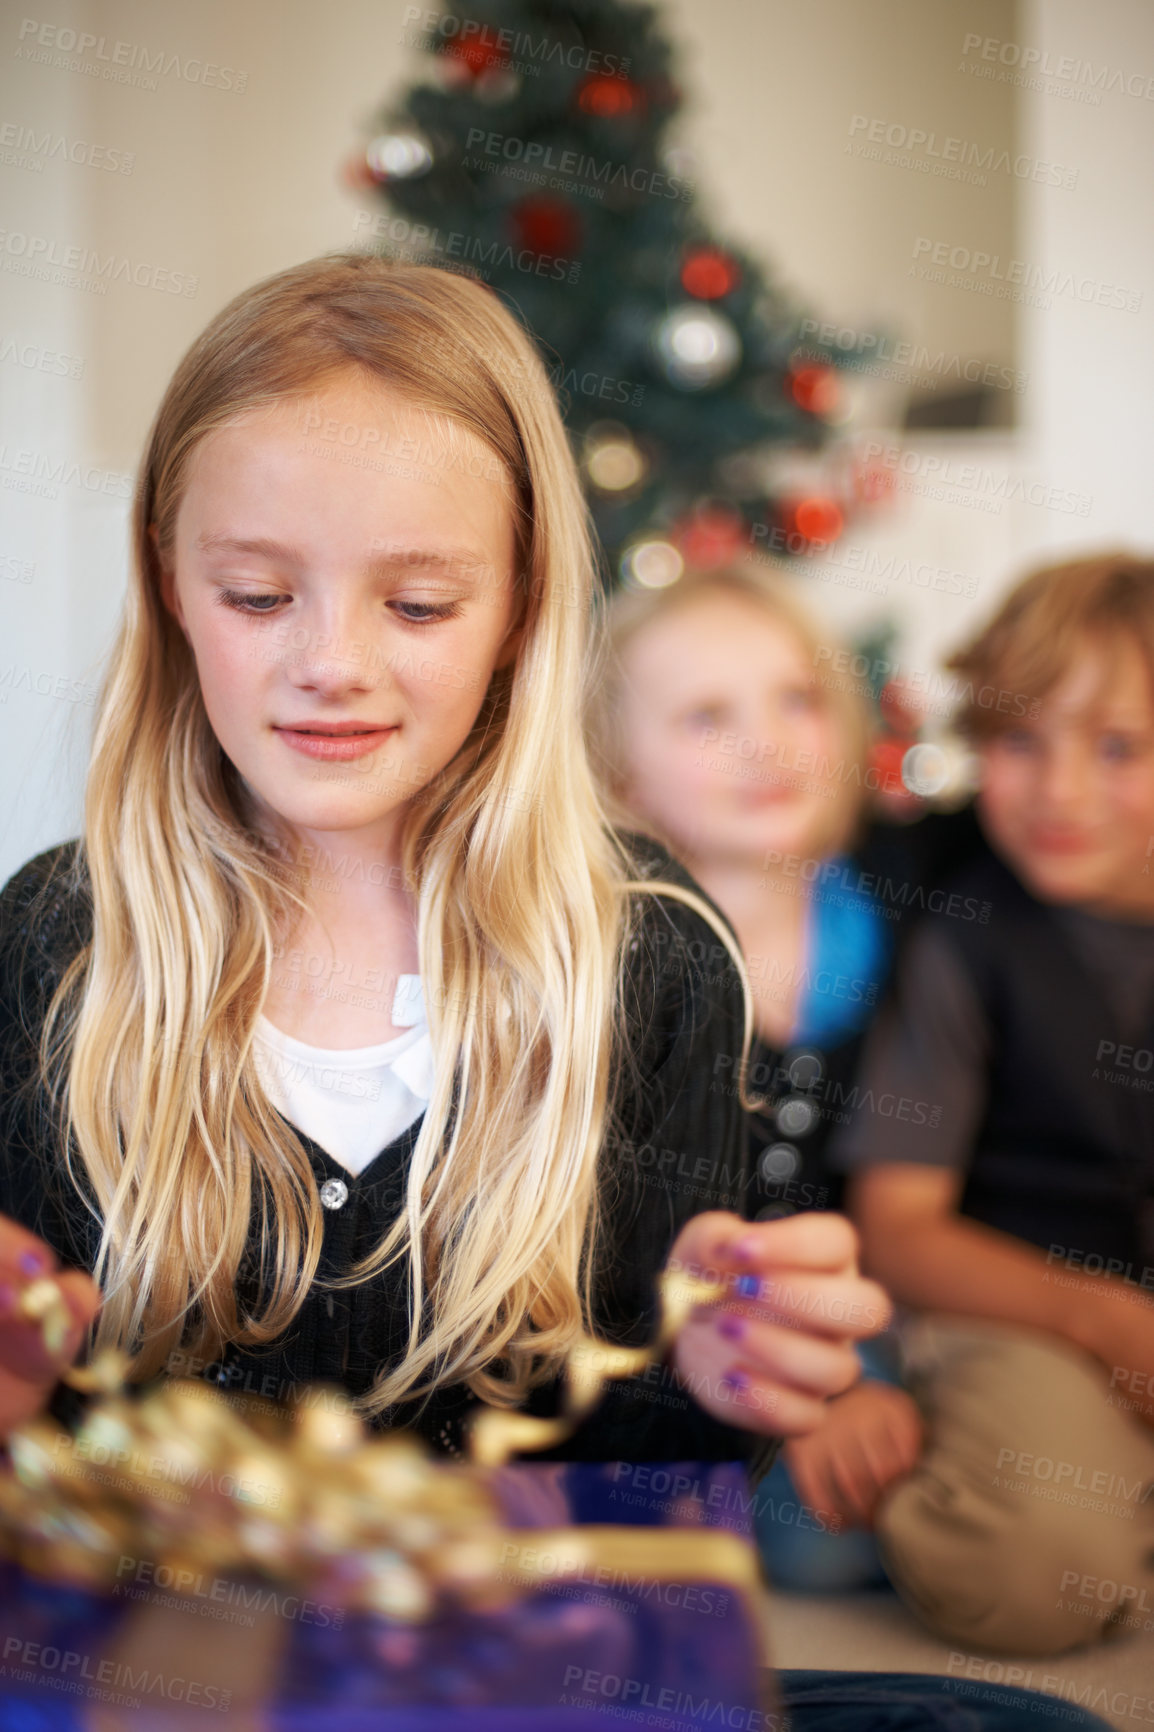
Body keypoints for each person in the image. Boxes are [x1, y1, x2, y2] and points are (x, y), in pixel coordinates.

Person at [0, 255, 1112, 1731]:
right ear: (169, 583)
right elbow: (64, 1485)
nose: (331, 664)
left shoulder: (649, 954)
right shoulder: (58, 939)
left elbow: (638, 1504)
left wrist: (714, 1381)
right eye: (259, 594)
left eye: (418, 601)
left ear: (521, 603)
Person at [834, 554, 1154, 1656]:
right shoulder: (965, 935)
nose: (1059, 791)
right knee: (1029, 1572)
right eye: (1019, 742)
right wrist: (1101, 1322)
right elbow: (898, 1227)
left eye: (1117, 748)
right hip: (1024, 1316)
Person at [590, 565, 925, 1589]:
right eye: (704, 716)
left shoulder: (899, 918)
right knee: (778, 1538)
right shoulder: (612, 953)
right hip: (657, 1316)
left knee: (845, 1531)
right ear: (619, 778)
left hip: (859, 1300)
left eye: (796, 699)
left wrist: (851, 1384)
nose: (767, 744)